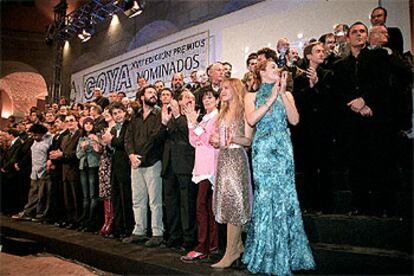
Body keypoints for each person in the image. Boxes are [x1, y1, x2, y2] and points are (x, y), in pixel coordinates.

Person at [243, 59, 315, 275]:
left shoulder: (288, 94)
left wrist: (282, 94)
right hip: (263, 149)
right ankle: (265, 253)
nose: (278, 70)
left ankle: (289, 254)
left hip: (283, 149)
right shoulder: (251, 96)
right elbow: (251, 119)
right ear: (262, 72)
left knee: (286, 197)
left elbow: (294, 120)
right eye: (273, 67)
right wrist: (271, 98)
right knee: (266, 197)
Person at [210, 78, 253, 269]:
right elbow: (221, 141)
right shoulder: (222, 113)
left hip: (236, 158)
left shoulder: (244, 111)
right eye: (221, 88)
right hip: (223, 159)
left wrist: (232, 137)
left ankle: (230, 253)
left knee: (235, 204)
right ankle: (237, 247)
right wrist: (217, 141)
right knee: (226, 204)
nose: (222, 91)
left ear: (236, 89)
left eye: (226, 87)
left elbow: (248, 141)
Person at [180, 87, 220, 263]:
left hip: (211, 166)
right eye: (204, 99)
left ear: (217, 100)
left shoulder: (218, 118)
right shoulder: (204, 118)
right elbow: (194, 141)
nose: (206, 101)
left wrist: (194, 125)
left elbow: (209, 140)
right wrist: (192, 123)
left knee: (204, 207)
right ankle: (209, 246)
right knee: (204, 207)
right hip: (201, 166)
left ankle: (206, 245)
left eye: (210, 97)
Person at [76, 116, 101, 231]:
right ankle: (84, 219)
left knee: (93, 195)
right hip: (83, 167)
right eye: (86, 124)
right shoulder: (81, 138)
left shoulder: (97, 136)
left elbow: (100, 152)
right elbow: (78, 155)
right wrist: (83, 148)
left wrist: (94, 144)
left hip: (93, 167)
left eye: (90, 124)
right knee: (85, 196)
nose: (88, 126)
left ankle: (92, 221)